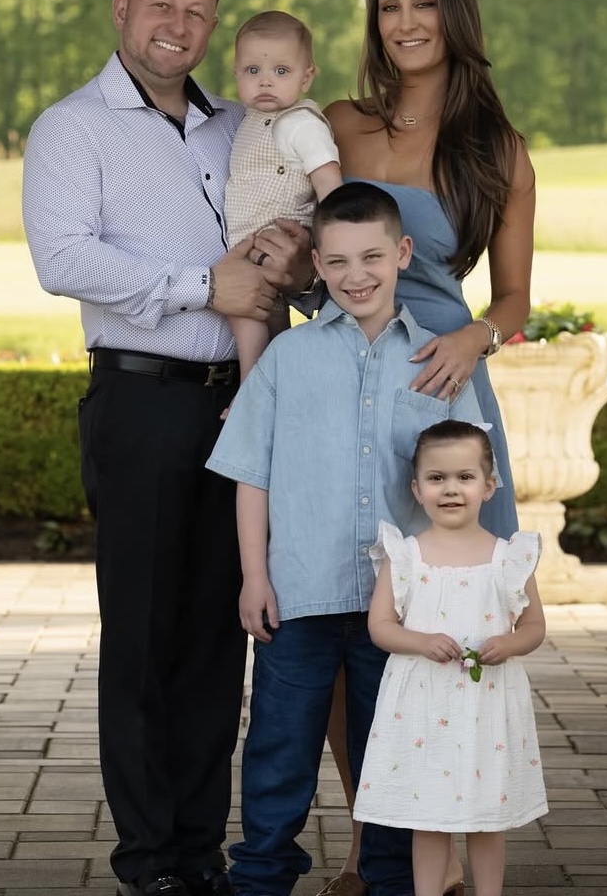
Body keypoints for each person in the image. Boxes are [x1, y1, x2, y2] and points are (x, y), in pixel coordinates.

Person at [21, 0, 316, 896]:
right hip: (141, 403)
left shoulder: (241, 124)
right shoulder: (72, 128)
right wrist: (201, 285)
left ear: (212, 26)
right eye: (160, 5)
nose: (176, 25)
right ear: (123, 10)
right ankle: (150, 863)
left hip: (239, 403)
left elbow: (287, 225)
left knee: (215, 642)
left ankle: (198, 852)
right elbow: (63, 257)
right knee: (145, 641)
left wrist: (297, 258)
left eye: (195, 12)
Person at [322, 0, 537, 894]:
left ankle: (451, 842)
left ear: (454, 13)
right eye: (387, 5)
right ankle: (370, 843)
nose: (404, 22)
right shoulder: (339, 125)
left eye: (422, 3)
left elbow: (515, 298)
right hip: (343, 375)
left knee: (452, 606)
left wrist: (474, 339)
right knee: (346, 609)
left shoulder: (498, 149)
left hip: (440, 387)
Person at [205, 181, 487, 896]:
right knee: (278, 749)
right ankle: (261, 878)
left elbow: (463, 488)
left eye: (371, 257)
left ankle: (390, 879)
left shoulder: (438, 363)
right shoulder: (287, 358)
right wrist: (254, 577)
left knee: (388, 753)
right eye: (336, 261)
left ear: (402, 253)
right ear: (317, 267)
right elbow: (251, 474)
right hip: (298, 594)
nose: (355, 275)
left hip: (399, 608)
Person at [355, 420, 548, 896]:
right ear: (416, 489)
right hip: (424, 706)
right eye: (437, 478)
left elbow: (534, 627)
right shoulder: (406, 556)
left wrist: (508, 644)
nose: (451, 489)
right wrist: (420, 642)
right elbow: (380, 626)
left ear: (489, 485)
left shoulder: (509, 558)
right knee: (429, 813)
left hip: (486, 707)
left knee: (487, 815)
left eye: (465, 477)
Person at [225, 9, 342, 382]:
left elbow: (330, 186)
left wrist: (332, 245)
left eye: (281, 71)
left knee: (247, 314)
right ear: (236, 73)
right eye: (253, 70)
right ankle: (274, 388)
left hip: (275, 239)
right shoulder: (247, 120)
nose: (265, 81)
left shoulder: (301, 124)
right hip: (252, 242)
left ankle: (251, 389)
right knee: (268, 319)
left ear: (306, 77)